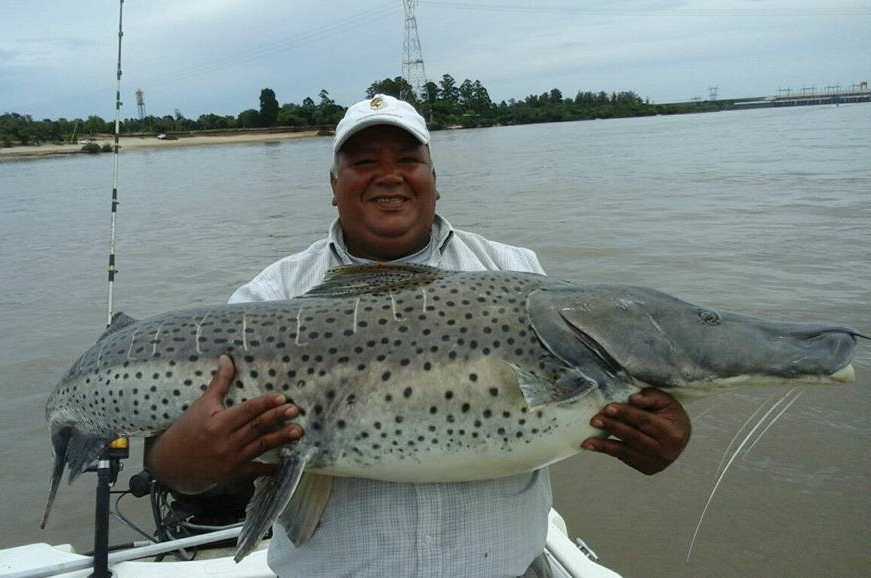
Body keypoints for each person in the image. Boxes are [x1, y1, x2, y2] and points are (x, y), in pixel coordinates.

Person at [149, 94, 692, 577]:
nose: (389, 175)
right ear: (334, 188)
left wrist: (653, 435)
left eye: (408, 160)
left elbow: (590, 410)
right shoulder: (271, 297)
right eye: (363, 163)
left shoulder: (518, 273)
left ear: (434, 179)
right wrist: (184, 463)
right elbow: (173, 463)